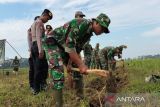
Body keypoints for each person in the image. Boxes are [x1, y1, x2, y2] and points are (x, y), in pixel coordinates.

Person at [44, 13, 111, 106]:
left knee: (77, 69)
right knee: (58, 70)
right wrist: (81, 64)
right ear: (96, 22)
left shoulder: (88, 34)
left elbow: (76, 48)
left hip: (64, 46)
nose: (102, 31)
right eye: (102, 28)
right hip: (52, 42)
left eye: (104, 30)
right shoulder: (82, 24)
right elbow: (70, 45)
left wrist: (69, 64)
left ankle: (80, 99)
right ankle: (58, 104)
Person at [30, 9, 52, 95]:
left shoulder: (34, 22)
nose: (47, 21)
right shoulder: (39, 23)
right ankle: (37, 90)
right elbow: (39, 37)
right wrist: (40, 50)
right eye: (48, 18)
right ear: (44, 15)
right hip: (38, 46)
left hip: (34, 45)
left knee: (38, 68)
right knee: (40, 68)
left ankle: (40, 86)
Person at [27, 16, 40, 91]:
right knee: (32, 69)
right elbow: (29, 41)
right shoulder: (30, 30)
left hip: (37, 50)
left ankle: (39, 83)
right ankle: (32, 85)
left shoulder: (39, 28)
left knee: (38, 68)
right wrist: (30, 51)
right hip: (32, 51)